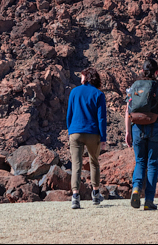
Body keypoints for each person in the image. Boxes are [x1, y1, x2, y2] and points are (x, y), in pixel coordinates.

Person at [124, 57, 158, 210]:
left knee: (140, 161)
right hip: (156, 128)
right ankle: (148, 201)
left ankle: (136, 189)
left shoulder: (134, 85)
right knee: (153, 164)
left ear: (142, 71)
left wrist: (128, 131)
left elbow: (128, 110)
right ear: (157, 72)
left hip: (137, 128)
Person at [66, 66, 108, 209]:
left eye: (82, 75)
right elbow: (101, 118)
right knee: (94, 162)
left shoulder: (74, 92)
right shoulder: (98, 94)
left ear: (87, 77)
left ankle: (75, 196)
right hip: (92, 132)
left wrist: (70, 130)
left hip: (75, 132)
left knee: (76, 164)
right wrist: (103, 138)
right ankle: (95, 194)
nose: (80, 78)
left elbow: (69, 115)